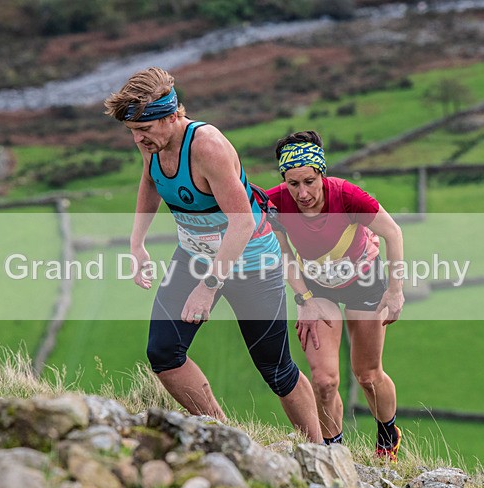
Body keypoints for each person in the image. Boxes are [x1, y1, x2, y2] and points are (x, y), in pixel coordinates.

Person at [103, 67, 322, 443]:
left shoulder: (208, 147)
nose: (137, 139)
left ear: (173, 116)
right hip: (195, 254)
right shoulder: (149, 141)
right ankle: (226, 435)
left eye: (144, 130)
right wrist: (136, 243)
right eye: (132, 132)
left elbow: (241, 225)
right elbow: (150, 181)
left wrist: (208, 288)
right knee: (163, 353)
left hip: (251, 260)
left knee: (276, 370)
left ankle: (323, 453)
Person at [267, 131, 404, 459]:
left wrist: (395, 290)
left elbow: (392, 232)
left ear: (322, 174)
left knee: (368, 375)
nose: (303, 193)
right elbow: (284, 255)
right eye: (293, 183)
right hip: (318, 290)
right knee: (325, 382)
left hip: (365, 283)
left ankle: (388, 435)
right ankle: (333, 453)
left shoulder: (348, 196)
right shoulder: (274, 203)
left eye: (310, 182)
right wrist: (303, 299)